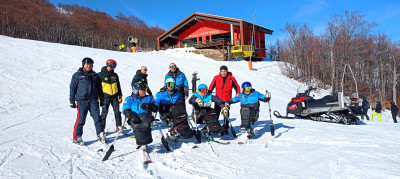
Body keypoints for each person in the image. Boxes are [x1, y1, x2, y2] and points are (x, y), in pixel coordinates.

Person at [69, 57, 105, 146]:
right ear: (83, 65)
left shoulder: (95, 75)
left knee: (97, 118)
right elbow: (72, 88)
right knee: (81, 119)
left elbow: (99, 88)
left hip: (93, 100)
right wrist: (72, 100)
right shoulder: (77, 75)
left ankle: (100, 134)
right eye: (86, 64)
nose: (88, 66)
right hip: (82, 100)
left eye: (90, 64)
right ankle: (77, 137)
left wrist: (102, 99)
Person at [208, 65, 240, 134]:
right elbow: (211, 86)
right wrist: (208, 94)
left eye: (224, 71)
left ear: (227, 71)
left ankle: (225, 128)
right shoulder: (216, 78)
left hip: (227, 100)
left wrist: (238, 93)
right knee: (216, 114)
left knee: (226, 115)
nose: (223, 73)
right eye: (222, 71)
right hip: (218, 100)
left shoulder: (231, 78)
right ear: (220, 72)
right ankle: (214, 127)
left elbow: (237, 86)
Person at [98, 59, 123, 133]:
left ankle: (119, 126)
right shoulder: (101, 74)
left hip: (114, 96)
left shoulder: (115, 75)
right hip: (105, 97)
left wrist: (120, 95)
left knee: (117, 112)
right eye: (114, 66)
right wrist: (98, 97)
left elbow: (118, 85)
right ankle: (102, 129)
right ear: (109, 65)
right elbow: (97, 87)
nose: (114, 68)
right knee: (104, 113)